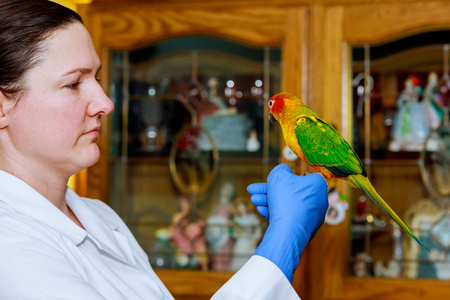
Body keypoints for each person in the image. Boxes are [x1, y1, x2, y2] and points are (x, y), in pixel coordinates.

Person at [0, 1, 329, 299]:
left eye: (98, 78)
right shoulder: (10, 249)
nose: (105, 102)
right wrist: (281, 245)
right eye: (73, 84)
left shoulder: (101, 217)